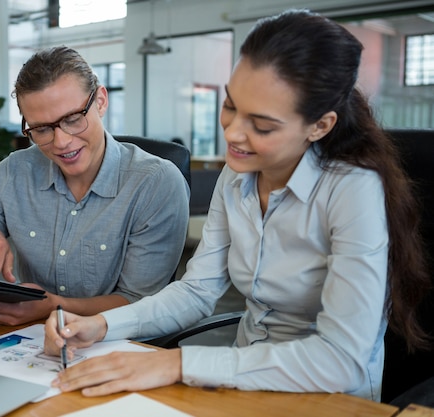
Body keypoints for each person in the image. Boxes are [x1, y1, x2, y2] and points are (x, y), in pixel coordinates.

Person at [43, 9, 431, 401]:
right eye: (231, 106)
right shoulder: (238, 176)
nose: (233, 133)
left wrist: (178, 364)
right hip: (242, 383)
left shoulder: (353, 191)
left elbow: (341, 359)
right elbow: (197, 291)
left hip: (329, 398)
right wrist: (102, 325)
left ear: (320, 125)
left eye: (262, 125)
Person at [0, 46, 190, 326]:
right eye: (41, 129)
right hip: (32, 345)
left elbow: (141, 302)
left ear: (100, 101)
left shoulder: (155, 183)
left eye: (73, 120)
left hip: (119, 346)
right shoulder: (11, 174)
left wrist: (54, 308)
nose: (61, 142)